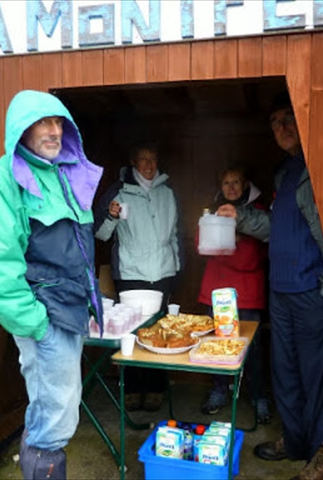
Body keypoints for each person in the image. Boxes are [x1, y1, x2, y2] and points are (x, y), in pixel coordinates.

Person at [0, 90, 104, 480]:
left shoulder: (62, 174)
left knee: (53, 410)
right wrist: (36, 324)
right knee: (55, 419)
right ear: (20, 129)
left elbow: (73, 250)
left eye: (59, 122)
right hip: (45, 317)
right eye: (43, 122)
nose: (54, 131)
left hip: (70, 311)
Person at [217, 92, 323, 480]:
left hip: (311, 294)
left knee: (317, 375)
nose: (281, 128)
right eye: (274, 122)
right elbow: (274, 229)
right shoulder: (285, 175)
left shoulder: (316, 169)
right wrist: (237, 217)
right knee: (284, 370)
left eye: (288, 119)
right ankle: (296, 440)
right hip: (281, 292)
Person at [94, 143, 181, 412]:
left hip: (163, 272)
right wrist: (111, 215)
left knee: (160, 333)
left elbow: (176, 235)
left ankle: (155, 389)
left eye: (153, 159)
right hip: (131, 274)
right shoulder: (118, 191)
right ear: (133, 162)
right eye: (143, 159)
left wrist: (177, 270)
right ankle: (131, 389)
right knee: (131, 333)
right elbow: (101, 233)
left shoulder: (168, 193)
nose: (149, 164)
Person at [197, 167, 272, 424]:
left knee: (252, 351)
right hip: (216, 293)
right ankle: (219, 391)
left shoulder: (259, 210)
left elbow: (250, 259)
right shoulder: (214, 208)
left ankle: (259, 396)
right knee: (217, 348)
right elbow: (203, 244)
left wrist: (227, 244)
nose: (231, 187)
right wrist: (235, 239)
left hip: (247, 295)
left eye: (236, 182)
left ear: (246, 184)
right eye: (226, 182)